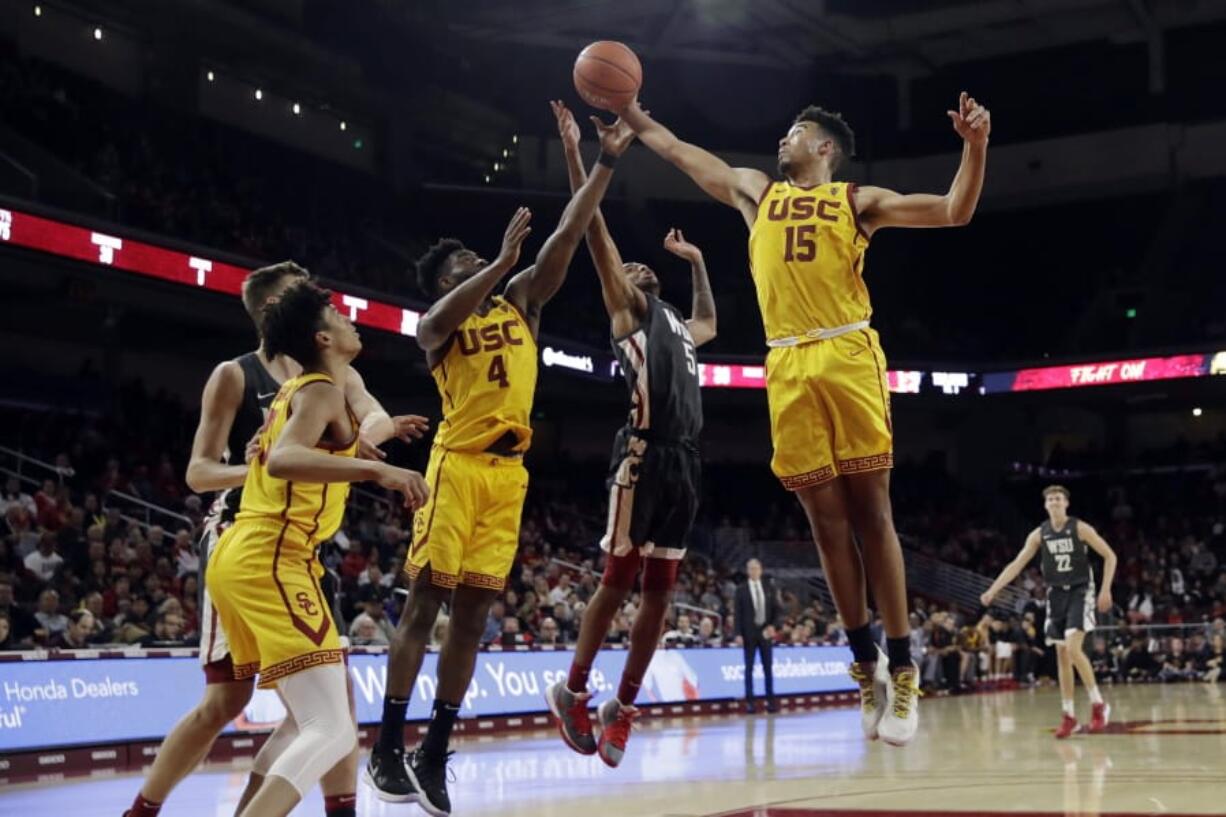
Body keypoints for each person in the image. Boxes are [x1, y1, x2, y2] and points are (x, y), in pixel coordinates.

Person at [623, 85, 992, 748]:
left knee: (872, 512)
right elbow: (680, 153)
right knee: (825, 526)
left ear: (824, 148)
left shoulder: (857, 201)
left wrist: (976, 147)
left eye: (794, 132)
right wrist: (630, 112)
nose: (781, 139)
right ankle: (864, 659)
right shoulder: (755, 193)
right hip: (787, 362)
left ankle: (903, 667)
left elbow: (953, 210)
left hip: (848, 350)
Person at [366, 102, 628, 816]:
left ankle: (434, 747)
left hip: (509, 476)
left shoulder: (519, 303)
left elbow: (570, 235)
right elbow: (430, 321)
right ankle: (388, 741)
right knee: (424, 605)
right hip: (456, 464)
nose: (479, 266)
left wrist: (603, 158)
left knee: (475, 617)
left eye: (479, 261)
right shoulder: (442, 326)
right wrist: (499, 262)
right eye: (463, 267)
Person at [123, 262, 427, 817]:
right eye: (314, 302)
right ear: (285, 316)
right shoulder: (239, 375)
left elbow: (371, 426)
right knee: (234, 701)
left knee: (330, 704)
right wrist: (270, 467)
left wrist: (354, 453)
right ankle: (144, 811)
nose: (330, 306)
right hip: (250, 536)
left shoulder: (330, 379)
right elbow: (201, 472)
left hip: (297, 548)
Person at [538, 101, 713, 768]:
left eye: (645, 269)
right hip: (640, 456)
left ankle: (623, 707)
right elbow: (595, 234)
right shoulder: (627, 314)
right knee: (616, 581)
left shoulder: (678, 326)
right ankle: (573, 687)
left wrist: (696, 260)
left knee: (661, 595)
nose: (634, 268)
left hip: (685, 466)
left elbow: (711, 320)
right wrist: (587, 155)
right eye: (629, 270)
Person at [981, 485, 1117, 739]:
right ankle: (1070, 716)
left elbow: (1110, 556)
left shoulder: (1080, 528)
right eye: (1050, 499)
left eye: (1058, 498)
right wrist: (993, 589)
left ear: (1066, 503)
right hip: (1055, 594)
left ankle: (1099, 705)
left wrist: (1105, 590)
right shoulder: (1039, 534)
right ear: (1045, 506)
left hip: (1079, 591)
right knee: (1062, 655)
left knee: (1074, 648)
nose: (1054, 502)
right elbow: (1016, 564)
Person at [735, 559, 780, 713]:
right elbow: (737, 614)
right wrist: (738, 633)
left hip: (765, 632)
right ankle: (750, 702)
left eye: (756, 568)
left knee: (768, 667)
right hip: (749, 634)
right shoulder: (741, 589)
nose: (754, 571)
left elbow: (777, 610)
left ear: (761, 570)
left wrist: (773, 626)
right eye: (751, 568)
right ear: (748, 571)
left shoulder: (769, 587)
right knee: (749, 668)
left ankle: (771, 701)